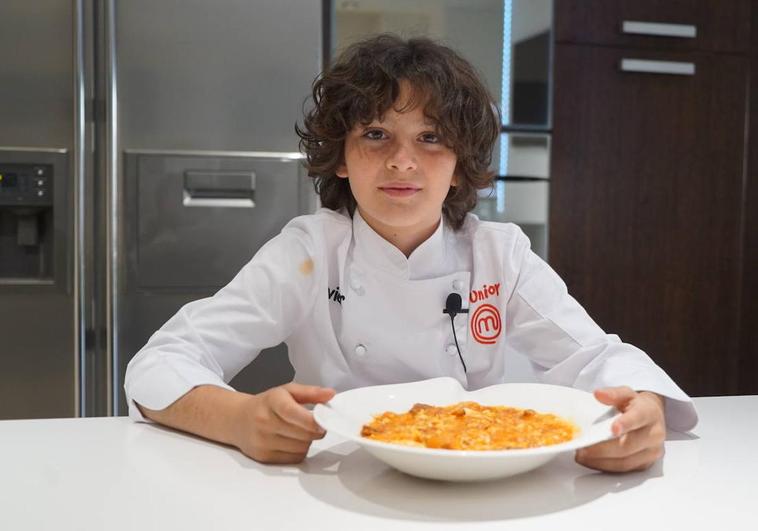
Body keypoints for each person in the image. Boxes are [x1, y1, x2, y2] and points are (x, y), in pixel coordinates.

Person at [125, 34, 697, 472]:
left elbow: (597, 359)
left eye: (430, 137)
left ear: (459, 165)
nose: (402, 161)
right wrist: (240, 419)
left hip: (483, 474)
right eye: (376, 134)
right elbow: (161, 362)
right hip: (341, 482)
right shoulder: (308, 253)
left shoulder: (500, 255)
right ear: (341, 158)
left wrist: (640, 413)